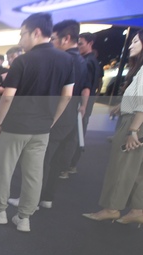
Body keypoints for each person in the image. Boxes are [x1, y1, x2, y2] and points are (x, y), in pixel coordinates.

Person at [0, 13, 74, 232]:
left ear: (35, 32)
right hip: (42, 128)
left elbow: (7, 96)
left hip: (15, 126)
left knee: (4, 170)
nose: (20, 39)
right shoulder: (66, 60)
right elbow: (68, 95)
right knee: (34, 174)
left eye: (22, 33)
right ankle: (24, 218)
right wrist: (52, 120)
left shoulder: (23, 61)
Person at [82, 30, 143, 226]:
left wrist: (133, 130)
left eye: (135, 41)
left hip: (135, 123)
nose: (131, 45)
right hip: (135, 119)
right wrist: (122, 106)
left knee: (121, 166)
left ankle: (112, 208)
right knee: (137, 170)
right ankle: (137, 210)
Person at [65, 32, 104, 175]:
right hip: (85, 105)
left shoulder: (87, 62)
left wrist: (83, 106)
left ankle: (68, 166)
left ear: (90, 43)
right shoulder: (91, 61)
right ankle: (69, 165)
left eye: (81, 43)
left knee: (73, 136)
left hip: (80, 106)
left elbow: (86, 88)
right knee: (76, 134)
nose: (79, 47)